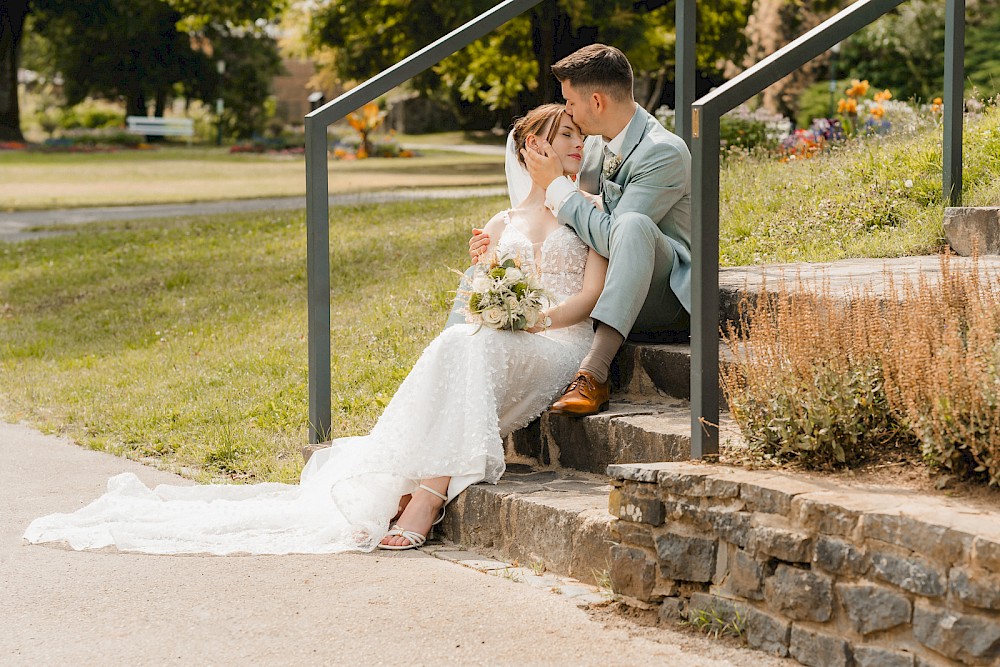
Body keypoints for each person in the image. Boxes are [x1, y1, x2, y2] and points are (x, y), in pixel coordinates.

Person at [23, 104, 608, 555]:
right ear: (534, 146)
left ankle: (424, 496)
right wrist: (488, 287)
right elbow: (476, 300)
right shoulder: (499, 220)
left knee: (465, 347)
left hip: (558, 342)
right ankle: (416, 485)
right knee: (460, 340)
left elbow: (590, 296)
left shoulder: (589, 211)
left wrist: (535, 319)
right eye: (567, 138)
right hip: (502, 341)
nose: (580, 147)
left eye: (582, 139)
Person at [470, 44, 692, 417]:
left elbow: (612, 238)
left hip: (660, 297)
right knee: (488, 251)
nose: (568, 112)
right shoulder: (591, 150)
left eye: (571, 103)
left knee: (633, 224)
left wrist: (559, 187)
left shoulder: (663, 152)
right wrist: (500, 245)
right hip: (602, 292)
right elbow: (568, 221)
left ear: (597, 101)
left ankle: (593, 373)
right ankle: (459, 344)